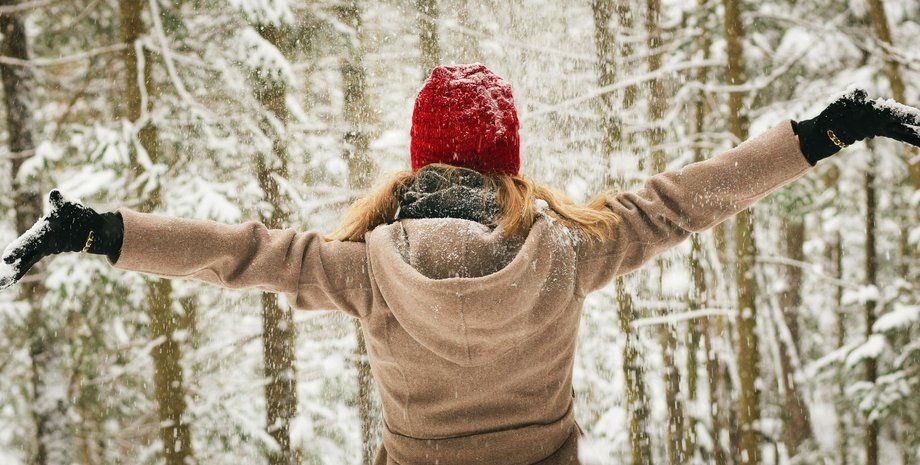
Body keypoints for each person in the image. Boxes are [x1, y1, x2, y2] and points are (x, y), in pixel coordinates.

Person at [2, 64, 919, 465]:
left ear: (417, 161)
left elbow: (237, 256)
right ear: (507, 159)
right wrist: (824, 132)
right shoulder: (569, 250)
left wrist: (101, 230)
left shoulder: (363, 269)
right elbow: (689, 198)